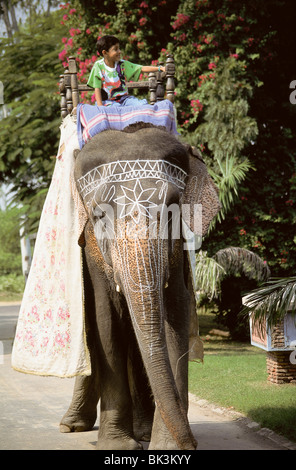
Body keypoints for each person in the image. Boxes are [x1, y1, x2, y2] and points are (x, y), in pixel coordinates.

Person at [87, 35, 165, 107]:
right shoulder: (98, 66)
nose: (119, 51)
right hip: (108, 102)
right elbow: (97, 89)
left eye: (119, 48)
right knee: (116, 109)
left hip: (124, 99)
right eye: (115, 49)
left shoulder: (122, 64)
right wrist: (101, 108)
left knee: (142, 104)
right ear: (105, 52)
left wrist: (160, 68)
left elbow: (141, 68)